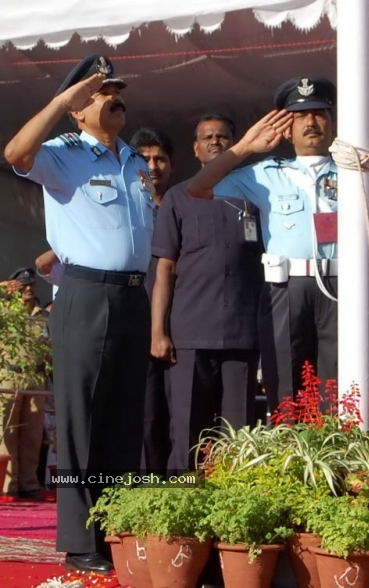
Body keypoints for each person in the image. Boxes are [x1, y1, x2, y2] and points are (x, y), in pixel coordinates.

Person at [4, 54, 153, 573]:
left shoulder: (134, 160)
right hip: (86, 294)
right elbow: (15, 152)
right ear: (76, 109)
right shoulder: (64, 154)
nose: (112, 96)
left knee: (123, 418)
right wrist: (60, 101)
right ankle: (81, 540)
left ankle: (116, 528)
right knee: (81, 421)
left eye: (114, 88)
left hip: (133, 294)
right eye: (97, 91)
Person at [188, 77, 341, 407]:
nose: (312, 122)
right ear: (286, 128)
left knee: (338, 386)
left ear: (332, 122)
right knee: (285, 384)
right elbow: (200, 188)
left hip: (339, 285)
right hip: (285, 288)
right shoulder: (265, 173)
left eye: (319, 114)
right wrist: (244, 147)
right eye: (300, 116)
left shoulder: (353, 170)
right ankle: (289, 455)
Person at [151, 113, 263, 471]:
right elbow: (164, 267)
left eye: (224, 136)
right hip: (190, 332)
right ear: (196, 149)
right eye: (208, 137)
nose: (216, 141)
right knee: (186, 428)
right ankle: (180, 504)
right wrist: (158, 331)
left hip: (242, 332)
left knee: (238, 434)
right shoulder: (178, 197)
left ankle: (234, 506)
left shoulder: (254, 195)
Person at [129, 127, 174, 475]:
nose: (153, 166)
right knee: (141, 413)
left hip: (180, 323)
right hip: (132, 321)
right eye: (145, 159)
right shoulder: (124, 209)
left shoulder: (181, 207)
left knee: (172, 413)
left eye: (160, 158)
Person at [0, 268, 48, 500]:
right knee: (8, 432)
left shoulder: (43, 316)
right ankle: (10, 484)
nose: (28, 290)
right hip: (10, 377)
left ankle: (29, 483)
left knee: (32, 434)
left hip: (36, 379)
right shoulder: (6, 314)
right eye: (23, 286)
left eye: (31, 285)